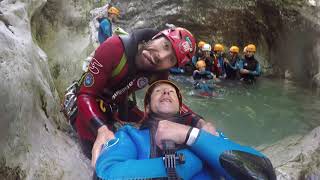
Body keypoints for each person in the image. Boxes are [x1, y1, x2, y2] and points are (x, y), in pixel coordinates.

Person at [75, 27, 213, 167]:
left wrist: (198, 121)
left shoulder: (159, 72)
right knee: (93, 146)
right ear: (157, 36)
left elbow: (171, 101)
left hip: (117, 104)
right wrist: (101, 129)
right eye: (165, 45)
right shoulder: (114, 47)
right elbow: (86, 94)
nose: (161, 56)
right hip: (89, 101)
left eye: (170, 59)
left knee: (151, 121)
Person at [95, 80, 276, 179]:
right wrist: (183, 164)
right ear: (147, 108)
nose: (166, 92)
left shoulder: (204, 136)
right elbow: (107, 173)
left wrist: (189, 135)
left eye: (171, 92)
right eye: (159, 91)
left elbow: (260, 173)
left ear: (181, 108)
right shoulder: (130, 135)